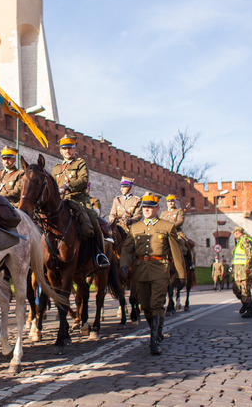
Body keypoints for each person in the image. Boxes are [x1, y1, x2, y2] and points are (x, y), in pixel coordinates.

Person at [119, 193, 184, 355]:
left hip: (160, 269)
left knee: (156, 304)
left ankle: (154, 340)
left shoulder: (167, 227)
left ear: (157, 209)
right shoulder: (135, 228)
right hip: (140, 270)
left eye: (150, 207)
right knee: (146, 306)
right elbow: (127, 249)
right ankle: (158, 329)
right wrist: (124, 265)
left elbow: (176, 253)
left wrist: (181, 274)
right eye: (145, 207)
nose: (147, 210)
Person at [51, 134, 109, 267]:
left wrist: (68, 185)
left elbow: (83, 180)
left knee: (94, 222)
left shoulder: (80, 163)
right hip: (61, 201)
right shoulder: (57, 168)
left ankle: (100, 254)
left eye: (70, 148)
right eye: (64, 148)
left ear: (74, 149)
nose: (67, 151)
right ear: (60, 150)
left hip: (78, 199)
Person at [232, 226, 252, 318]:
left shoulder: (245, 241)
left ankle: (250, 310)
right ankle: (245, 303)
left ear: (238, 233)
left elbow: (250, 255)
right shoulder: (239, 242)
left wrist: (248, 267)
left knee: (245, 290)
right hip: (238, 271)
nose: (234, 235)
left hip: (244, 270)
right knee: (236, 289)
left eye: (235, 233)